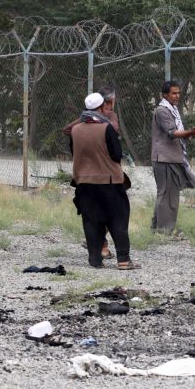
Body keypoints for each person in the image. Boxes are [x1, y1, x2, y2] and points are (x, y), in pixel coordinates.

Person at [70, 92, 139, 270]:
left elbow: (74, 152)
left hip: (84, 182)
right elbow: (116, 154)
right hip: (109, 181)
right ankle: (123, 260)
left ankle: (95, 259)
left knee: (91, 220)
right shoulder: (106, 128)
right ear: (101, 108)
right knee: (118, 218)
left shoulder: (75, 130)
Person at [63, 86, 119, 260]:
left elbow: (67, 129)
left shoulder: (85, 119)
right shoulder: (110, 116)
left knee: (93, 210)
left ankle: (101, 247)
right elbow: (113, 130)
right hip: (105, 171)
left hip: (85, 171)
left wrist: (83, 141)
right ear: (109, 102)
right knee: (113, 210)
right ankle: (102, 245)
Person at [151, 80, 195, 234]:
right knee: (166, 194)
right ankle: (163, 231)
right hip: (164, 158)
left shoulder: (172, 109)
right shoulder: (162, 110)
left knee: (167, 194)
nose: (177, 96)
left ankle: (157, 228)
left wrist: (188, 134)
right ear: (165, 95)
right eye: (174, 93)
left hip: (171, 157)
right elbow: (172, 132)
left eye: (178, 93)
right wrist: (190, 133)